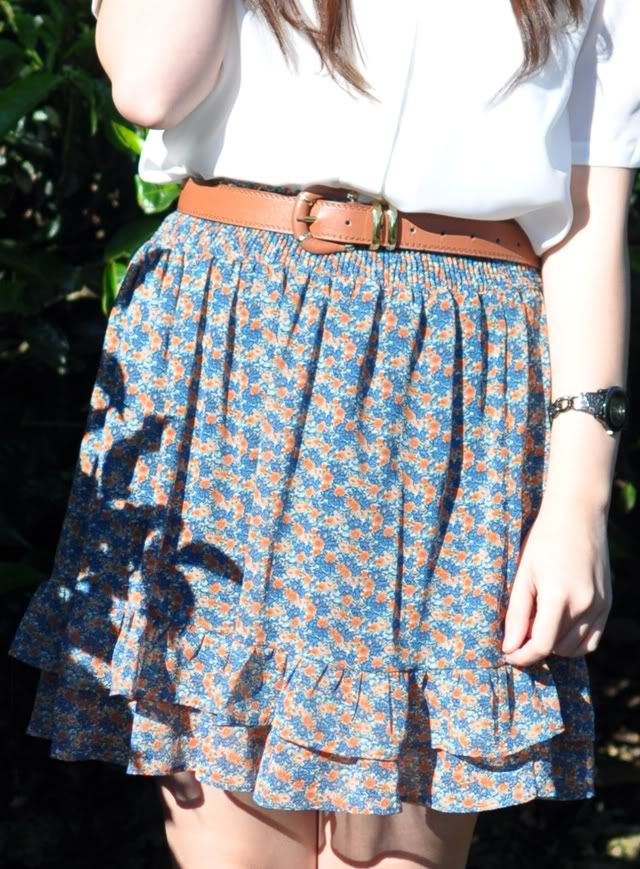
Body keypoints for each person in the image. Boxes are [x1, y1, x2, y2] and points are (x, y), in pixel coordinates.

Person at [8, 1, 640, 867]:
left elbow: (590, 227)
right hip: (240, 340)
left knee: (398, 851)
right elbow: (151, 85)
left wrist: (579, 497)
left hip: (456, 381)